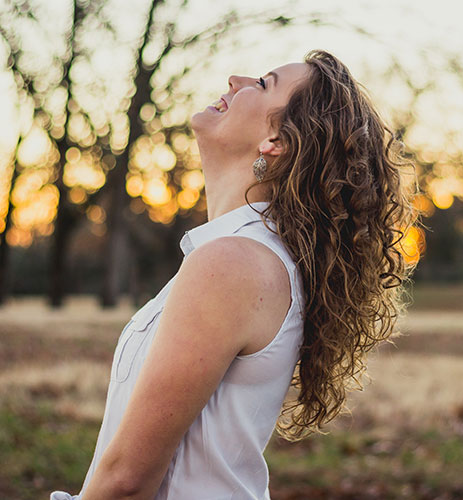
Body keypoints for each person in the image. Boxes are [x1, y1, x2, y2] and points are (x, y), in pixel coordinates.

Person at [51, 48, 417, 500]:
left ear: (276, 142)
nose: (235, 79)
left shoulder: (233, 263)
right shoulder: (247, 256)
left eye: (263, 84)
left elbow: (126, 481)